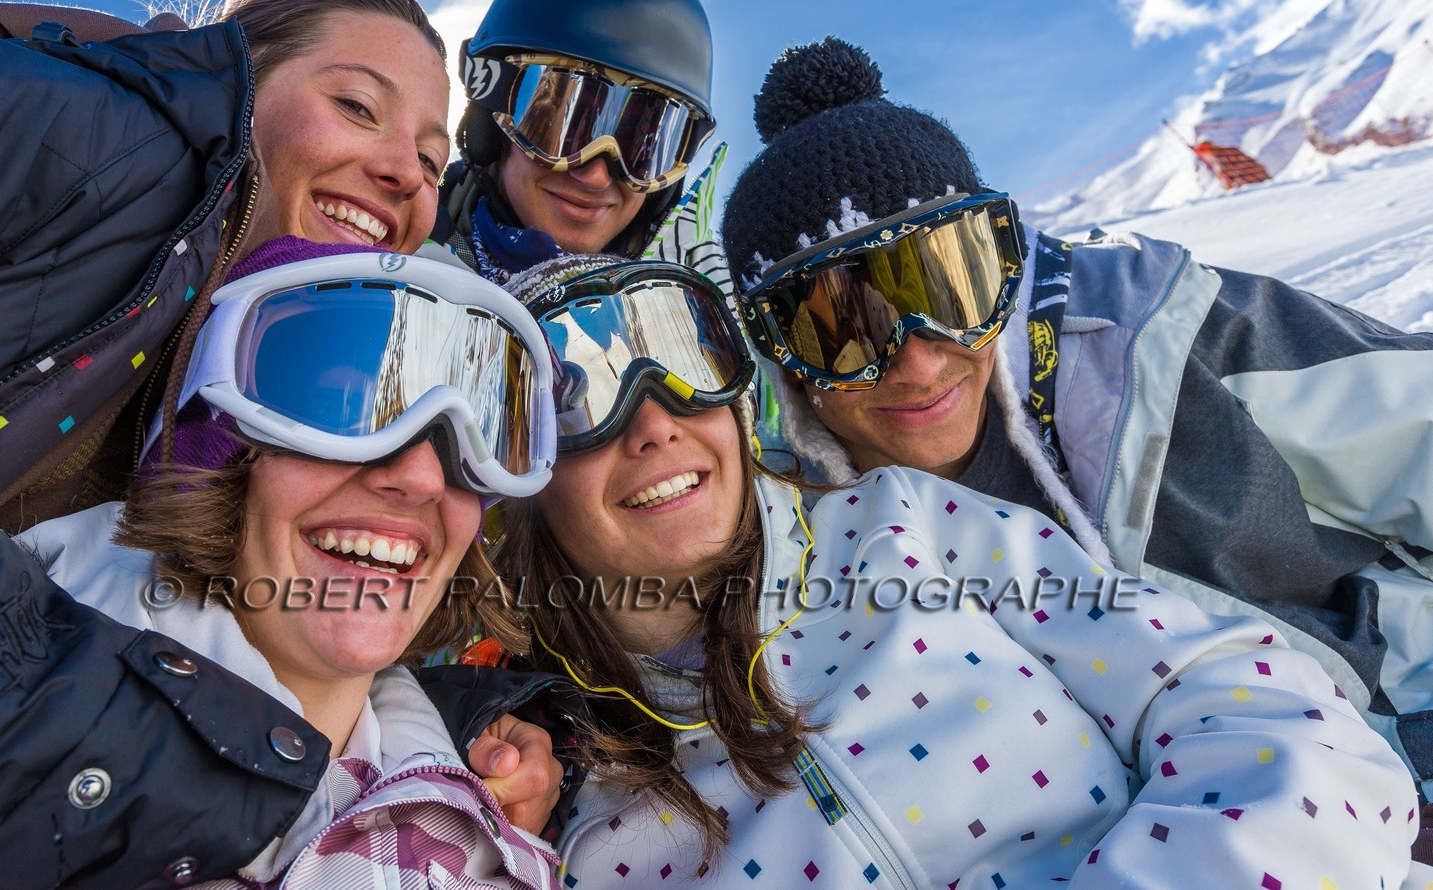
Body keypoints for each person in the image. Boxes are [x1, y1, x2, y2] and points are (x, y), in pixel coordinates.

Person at [0, 0, 541, 886]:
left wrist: (462, 734)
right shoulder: (84, 144)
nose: (405, 172)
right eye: (357, 106)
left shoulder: (217, 383)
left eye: (434, 162)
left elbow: (250, 625)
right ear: (240, 89)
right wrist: (47, 716)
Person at [494, 254, 1415, 887]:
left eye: (689, 353)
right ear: (516, 474)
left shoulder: (903, 528)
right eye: (575, 394)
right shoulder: (563, 807)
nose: (656, 419)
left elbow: (1251, 700)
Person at [717, 38, 1433, 841]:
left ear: (1005, 266)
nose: (917, 361)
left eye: (947, 285)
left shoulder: (1159, 340)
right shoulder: (800, 546)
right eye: (842, 328)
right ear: (783, 356)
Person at [0, 245, 563, 889]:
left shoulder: (491, 831)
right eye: (342, 403)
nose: (421, 478)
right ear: (220, 464)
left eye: (479, 436)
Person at [432, 0, 726, 284]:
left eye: (643, 147)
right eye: (561, 127)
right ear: (491, 124)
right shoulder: (394, 258)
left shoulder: (711, 311)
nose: (596, 177)